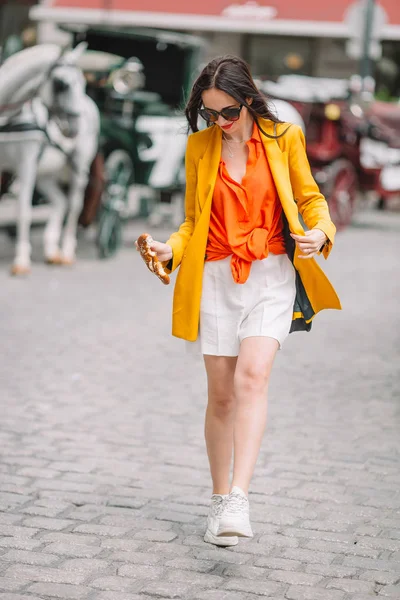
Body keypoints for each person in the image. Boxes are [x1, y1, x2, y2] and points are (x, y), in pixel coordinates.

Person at [136, 55, 341, 547]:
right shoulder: (199, 147)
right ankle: (217, 497)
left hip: (271, 276)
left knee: (253, 377)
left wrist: (319, 231)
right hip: (214, 280)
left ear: (248, 100)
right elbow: (191, 221)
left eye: (228, 112)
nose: (220, 123)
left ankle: (239, 499)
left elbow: (310, 198)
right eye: (210, 114)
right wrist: (171, 249)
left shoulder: (283, 139)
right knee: (222, 395)